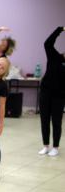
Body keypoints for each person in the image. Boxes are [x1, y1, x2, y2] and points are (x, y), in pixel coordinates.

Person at [38, 26, 65, 157]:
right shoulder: (54, 56)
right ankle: (46, 146)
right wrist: (60, 29)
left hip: (59, 96)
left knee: (56, 121)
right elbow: (47, 43)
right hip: (45, 93)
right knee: (44, 120)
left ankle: (55, 147)